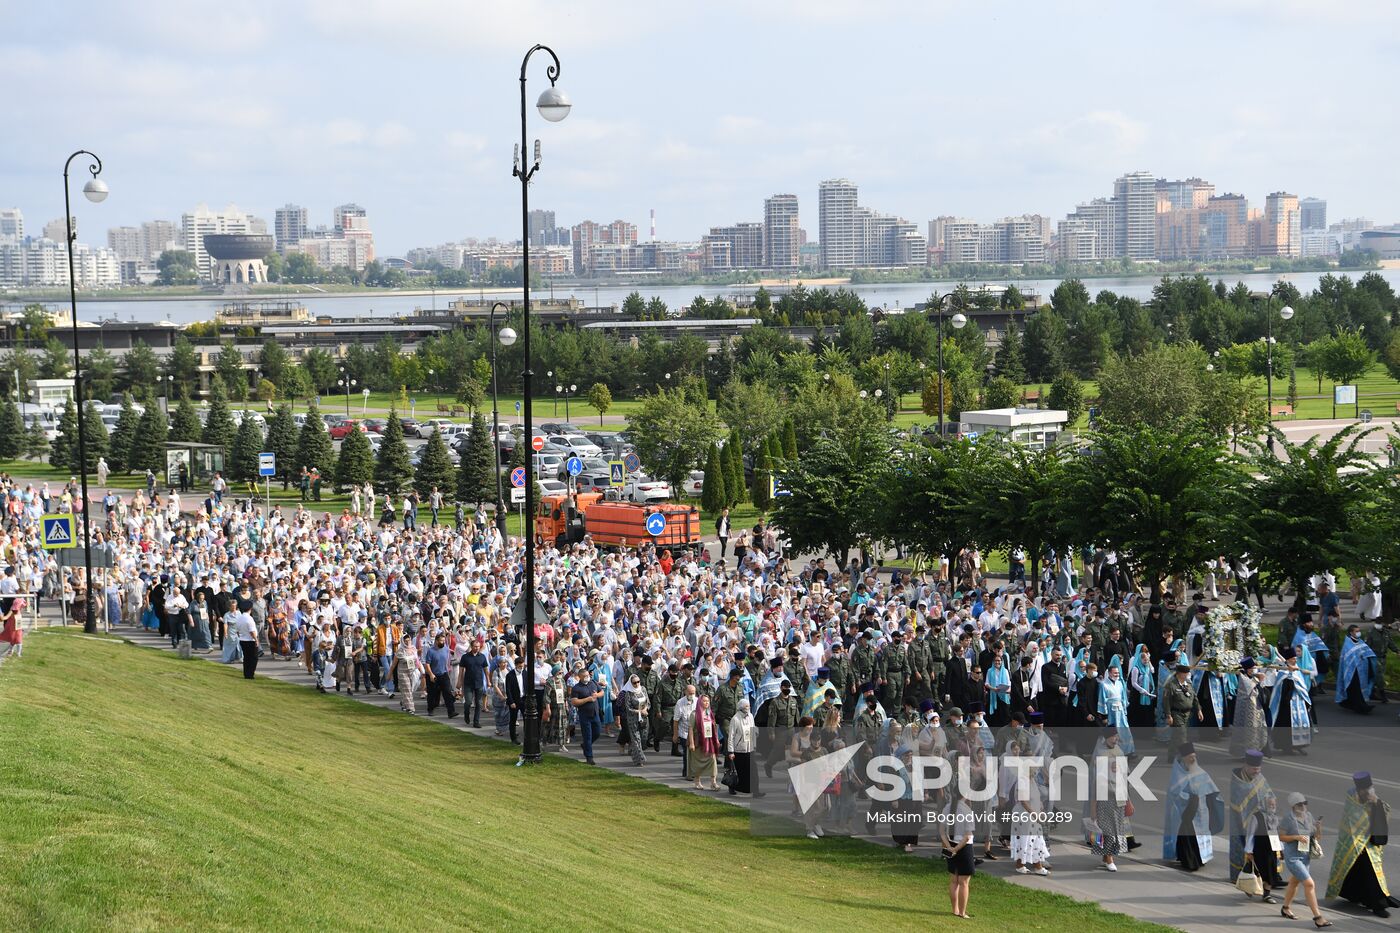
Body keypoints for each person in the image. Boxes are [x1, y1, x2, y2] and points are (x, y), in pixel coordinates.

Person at [1327, 772, 1400, 917]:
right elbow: (1352, 822)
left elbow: (1382, 813)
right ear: (1359, 790)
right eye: (1365, 791)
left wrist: (1376, 803)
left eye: (1369, 790)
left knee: (1373, 870)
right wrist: (1357, 844)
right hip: (1353, 843)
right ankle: (1378, 905)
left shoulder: (1372, 798)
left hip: (1369, 842)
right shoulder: (1352, 799)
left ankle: (1376, 896)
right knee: (1370, 872)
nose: (1368, 793)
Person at [1164, 742, 1222, 872]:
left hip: (1201, 811)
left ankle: (1200, 858)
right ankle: (1189, 861)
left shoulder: (1200, 772)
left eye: (1194, 756)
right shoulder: (1178, 774)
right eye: (1190, 756)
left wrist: (1212, 796)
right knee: (1187, 837)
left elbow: (1211, 788)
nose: (1193, 759)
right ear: (1183, 757)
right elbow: (1174, 793)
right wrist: (1189, 797)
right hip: (1185, 813)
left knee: (1199, 835)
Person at [1278, 792, 1331, 926]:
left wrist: (1318, 827)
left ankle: (1285, 908)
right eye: (1299, 804)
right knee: (1309, 884)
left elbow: (1317, 838)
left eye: (1304, 803)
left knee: (1294, 883)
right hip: (1293, 857)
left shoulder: (1308, 816)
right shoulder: (1288, 819)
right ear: (1293, 806)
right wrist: (1295, 837)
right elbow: (1281, 837)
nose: (1303, 806)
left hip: (1305, 856)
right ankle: (1318, 917)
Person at [1228, 750, 1272, 890]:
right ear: (1246, 765)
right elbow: (1241, 800)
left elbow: (1267, 792)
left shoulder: (1259, 776)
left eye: (1259, 769)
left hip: (1261, 820)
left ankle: (1269, 877)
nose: (1256, 771)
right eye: (1254, 768)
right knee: (1243, 847)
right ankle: (1239, 876)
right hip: (1241, 821)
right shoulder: (1237, 780)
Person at [941, 779, 976, 919]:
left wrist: (950, 847)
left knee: (954, 881)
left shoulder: (947, 807)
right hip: (964, 848)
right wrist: (957, 849)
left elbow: (942, 830)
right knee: (964, 882)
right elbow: (967, 836)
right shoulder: (967, 811)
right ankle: (962, 912)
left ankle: (955, 909)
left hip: (950, 844)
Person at [1269, 647, 1313, 756]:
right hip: (1287, 704)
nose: (1295, 660)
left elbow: (1301, 685)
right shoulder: (1283, 672)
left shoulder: (1296, 670)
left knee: (1303, 723)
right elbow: (1281, 688)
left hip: (1299, 702)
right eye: (1293, 658)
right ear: (1288, 660)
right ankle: (1287, 746)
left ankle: (1299, 745)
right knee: (1287, 725)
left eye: (1295, 658)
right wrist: (1289, 678)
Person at [1230, 657, 1270, 757]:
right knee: (1248, 731)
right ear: (1247, 669)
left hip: (1256, 707)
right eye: (1252, 668)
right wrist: (1258, 679)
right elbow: (1249, 688)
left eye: (1254, 668)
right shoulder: (1243, 677)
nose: (1254, 670)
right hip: (1246, 709)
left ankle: (1257, 750)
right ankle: (1247, 753)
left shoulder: (1251, 676)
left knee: (1258, 729)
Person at [1335, 624, 1378, 715]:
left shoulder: (1360, 641)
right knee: (1355, 689)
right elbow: (1346, 659)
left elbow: (1368, 652)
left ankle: (1353, 704)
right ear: (1351, 633)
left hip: (1362, 670)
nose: (1359, 633)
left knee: (1358, 689)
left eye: (1359, 631)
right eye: (1356, 631)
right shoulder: (1347, 644)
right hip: (1352, 671)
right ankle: (1361, 707)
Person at [570, 666, 604, 764]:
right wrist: (587, 699)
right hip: (585, 715)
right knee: (587, 736)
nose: (587, 677)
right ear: (580, 677)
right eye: (584, 676)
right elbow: (574, 702)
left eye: (587, 675)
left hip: (595, 713)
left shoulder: (593, 683)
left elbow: (601, 691)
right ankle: (589, 757)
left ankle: (585, 745)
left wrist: (597, 695)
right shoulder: (576, 688)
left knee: (597, 733)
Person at [689, 693, 722, 791]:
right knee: (697, 763)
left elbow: (714, 727)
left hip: (709, 742)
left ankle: (713, 783)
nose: (706, 703)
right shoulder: (694, 714)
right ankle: (697, 782)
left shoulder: (710, 713)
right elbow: (691, 729)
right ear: (700, 702)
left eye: (708, 701)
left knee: (712, 760)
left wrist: (716, 740)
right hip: (698, 741)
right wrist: (691, 743)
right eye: (704, 701)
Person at [725, 698, 757, 795]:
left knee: (754, 771)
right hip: (739, 750)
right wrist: (731, 751)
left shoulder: (751, 716)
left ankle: (756, 791)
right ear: (741, 707)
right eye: (746, 706)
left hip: (749, 748)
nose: (748, 708)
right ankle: (732, 786)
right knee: (739, 772)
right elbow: (731, 736)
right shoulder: (735, 719)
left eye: (748, 706)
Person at [622, 674, 650, 765]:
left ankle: (632, 749)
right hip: (633, 719)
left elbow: (648, 702)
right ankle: (639, 760)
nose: (637, 684)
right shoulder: (628, 693)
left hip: (644, 718)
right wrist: (639, 711)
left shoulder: (643, 689)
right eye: (634, 683)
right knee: (636, 739)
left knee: (643, 738)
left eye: (638, 682)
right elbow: (628, 708)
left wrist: (645, 709)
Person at [230, 603, 259, 680]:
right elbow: (252, 631)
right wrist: (256, 640)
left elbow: (237, 630)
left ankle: (246, 674)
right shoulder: (249, 619)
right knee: (254, 658)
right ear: (250, 609)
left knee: (246, 658)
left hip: (242, 639)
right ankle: (250, 674)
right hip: (250, 640)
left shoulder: (239, 618)